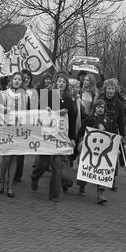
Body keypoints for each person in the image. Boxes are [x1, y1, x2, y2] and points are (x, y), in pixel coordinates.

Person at [30, 73, 76, 202]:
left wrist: (72, 138)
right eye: (59, 81)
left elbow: (71, 121)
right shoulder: (48, 96)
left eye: (64, 82)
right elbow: (40, 113)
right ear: (56, 83)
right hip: (47, 135)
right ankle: (35, 177)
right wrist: (51, 111)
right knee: (44, 164)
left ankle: (54, 194)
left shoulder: (69, 101)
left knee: (57, 165)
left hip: (60, 138)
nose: (61, 84)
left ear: (66, 85)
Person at [0, 72, 29, 198]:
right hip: (6, 128)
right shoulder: (4, 94)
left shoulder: (25, 96)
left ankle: (10, 185)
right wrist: (4, 109)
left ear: (22, 82)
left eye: (19, 79)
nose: (17, 81)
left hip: (18, 128)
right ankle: (1, 179)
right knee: (6, 158)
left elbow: (28, 111)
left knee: (15, 157)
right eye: (15, 79)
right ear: (11, 80)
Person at [76, 99, 110, 204]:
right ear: (95, 108)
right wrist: (83, 140)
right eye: (98, 107)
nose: (100, 109)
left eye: (102, 107)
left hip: (102, 150)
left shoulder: (107, 121)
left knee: (101, 169)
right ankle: (82, 186)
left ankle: (101, 193)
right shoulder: (89, 118)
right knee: (86, 167)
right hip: (89, 148)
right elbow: (81, 132)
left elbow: (111, 136)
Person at [98, 78, 125, 192]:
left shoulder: (118, 103)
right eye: (109, 88)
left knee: (112, 156)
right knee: (100, 154)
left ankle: (111, 180)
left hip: (113, 131)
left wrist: (122, 134)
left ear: (115, 90)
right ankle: (98, 177)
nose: (110, 91)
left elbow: (121, 120)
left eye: (113, 88)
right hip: (100, 129)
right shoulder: (99, 100)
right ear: (105, 89)